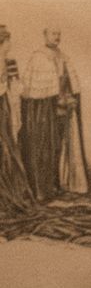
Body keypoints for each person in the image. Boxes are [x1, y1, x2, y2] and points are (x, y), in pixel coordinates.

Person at [20, 27, 89, 204]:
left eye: (59, 34)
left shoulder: (63, 56)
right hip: (45, 115)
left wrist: (70, 98)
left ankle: (57, 184)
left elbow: (67, 84)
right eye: (53, 34)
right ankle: (42, 190)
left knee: (59, 148)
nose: (57, 37)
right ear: (45, 35)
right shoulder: (38, 57)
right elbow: (36, 93)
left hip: (61, 111)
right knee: (45, 147)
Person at [0, 26, 33, 224]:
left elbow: (16, 87)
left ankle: (7, 195)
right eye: (7, 40)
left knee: (7, 149)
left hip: (3, 107)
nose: (10, 44)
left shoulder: (10, 62)